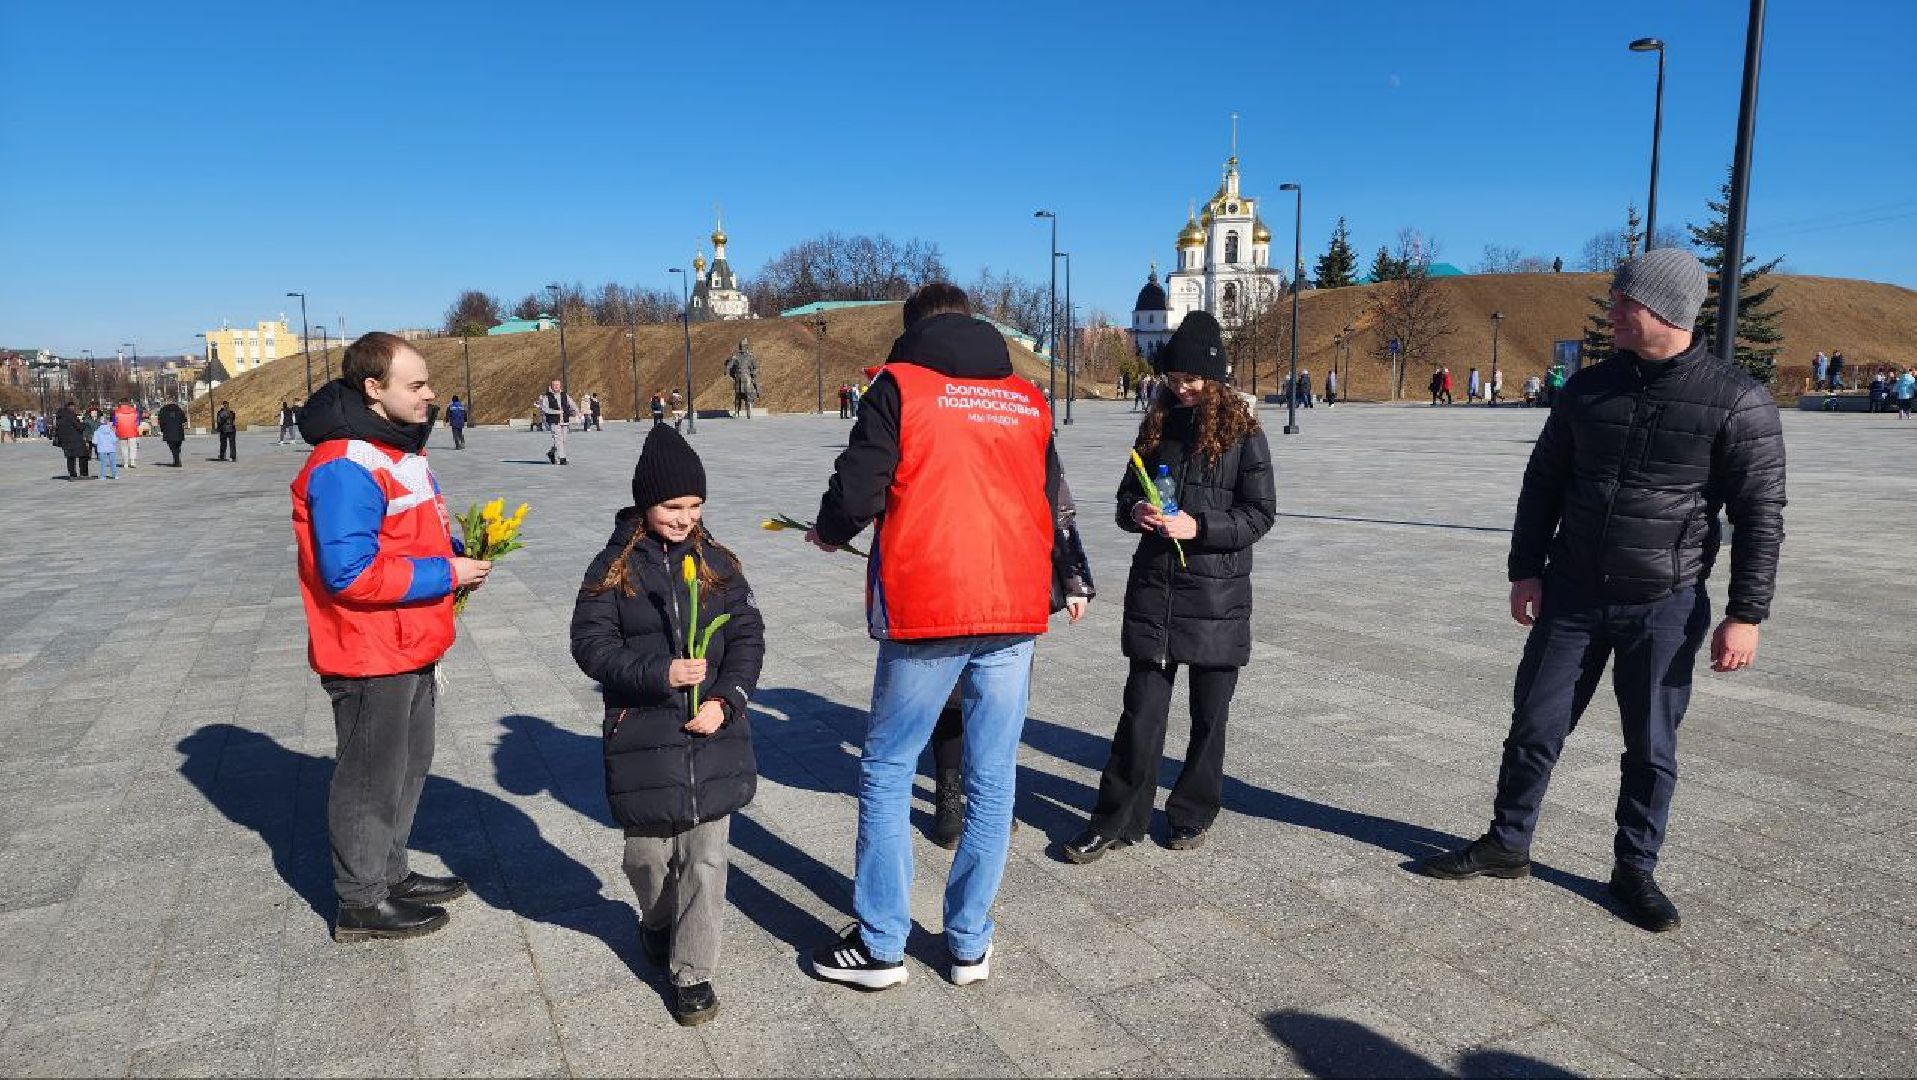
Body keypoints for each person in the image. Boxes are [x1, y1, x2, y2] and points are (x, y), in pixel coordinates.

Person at [1417, 249, 1787, 934]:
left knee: (1650, 746)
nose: (1609, 311)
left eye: (1623, 302)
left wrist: (1746, 614)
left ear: (1666, 312)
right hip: (1572, 594)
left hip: (1665, 603)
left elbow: (1761, 514)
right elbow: (1542, 483)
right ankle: (1507, 843)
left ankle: (1634, 869)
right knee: (1533, 725)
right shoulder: (1587, 389)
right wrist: (1523, 569)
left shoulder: (1737, 399)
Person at [803, 283, 1059, 991]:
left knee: (887, 768)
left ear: (912, 328)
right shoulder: (1026, 396)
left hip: (931, 602)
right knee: (992, 777)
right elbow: (1049, 495)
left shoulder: (900, 384)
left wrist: (827, 532)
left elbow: (859, 487)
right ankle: (969, 944)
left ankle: (882, 945)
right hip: (1015, 603)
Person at [291, 331, 491, 943]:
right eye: (417, 385)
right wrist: (445, 573)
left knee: (410, 761)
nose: (431, 394)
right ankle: (360, 899)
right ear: (373, 390)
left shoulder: (396, 449)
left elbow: (403, 539)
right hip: (369, 649)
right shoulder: (347, 464)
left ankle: (389, 870)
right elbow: (349, 571)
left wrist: (456, 553)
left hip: (411, 641)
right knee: (370, 774)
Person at [569, 423, 765, 1027]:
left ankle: (694, 973)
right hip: (644, 736)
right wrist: (660, 673)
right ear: (645, 503)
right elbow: (589, 644)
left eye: (695, 506)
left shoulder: (719, 563)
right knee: (646, 859)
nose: (685, 518)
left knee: (707, 858)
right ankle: (656, 919)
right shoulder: (612, 567)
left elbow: (748, 638)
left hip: (713, 736)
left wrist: (726, 699)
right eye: (672, 506)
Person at [1065, 311, 1276, 863]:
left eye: (1192, 380)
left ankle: (1193, 811)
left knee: (1209, 718)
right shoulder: (1156, 425)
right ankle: (1115, 818)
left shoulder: (1244, 432)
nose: (1181, 389)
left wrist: (1199, 527)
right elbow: (1122, 496)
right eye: (1174, 379)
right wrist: (1135, 510)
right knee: (1141, 712)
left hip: (1216, 599)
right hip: (1156, 590)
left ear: (1216, 378)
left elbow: (1260, 514)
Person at [539, 379, 577, 465]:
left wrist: (577, 411)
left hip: (564, 421)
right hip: (554, 421)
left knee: (563, 441)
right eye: (554, 385)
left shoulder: (565, 395)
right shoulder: (546, 397)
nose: (556, 386)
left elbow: (572, 404)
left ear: (560, 386)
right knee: (558, 440)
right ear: (551, 386)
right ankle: (562, 458)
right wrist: (556, 412)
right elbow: (545, 409)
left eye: (557, 385)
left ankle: (551, 453)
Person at [725, 339, 759, 419]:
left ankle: (748, 412)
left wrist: (754, 373)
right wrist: (727, 369)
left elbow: (756, 367)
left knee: (747, 395)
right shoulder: (736, 356)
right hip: (738, 378)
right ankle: (737, 412)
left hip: (747, 379)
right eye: (741, 346)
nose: (742, 347)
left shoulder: (750, 356)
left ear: (747, 346)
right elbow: (730, 364)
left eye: (744, 346)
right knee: (738, 396)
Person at [55, 402, 88, 479]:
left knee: (70, 457)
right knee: (83, 455)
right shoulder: (70, 416)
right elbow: (79, 427)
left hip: (65, 441)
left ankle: (72, 474)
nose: (74, 409)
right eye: (73, 407)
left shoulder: (59, 417)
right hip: (75, 440)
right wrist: (84, 423)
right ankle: (84, 473)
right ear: (70, 407)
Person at [158, 395, 187, 466]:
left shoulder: (163, 410)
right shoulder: (179, 409)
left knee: (172, 447)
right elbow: (184, 420)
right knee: (177, 446)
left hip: (168, 431)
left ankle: (177, 461)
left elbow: (161, 421)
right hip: (178, 431)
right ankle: (177, 460)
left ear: (167, 401)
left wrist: (162, 430)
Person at [91, 410, 119, 479]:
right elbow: (115, 440)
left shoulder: (97, 431)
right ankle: (114, 475)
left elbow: (95, 441)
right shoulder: (111, 431)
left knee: (103, 463)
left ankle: (103, 476)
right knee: (113, 462)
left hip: (101, 449)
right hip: (111, 448)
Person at [112, 398, 140, 467]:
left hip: (121, 431)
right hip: (132, 431)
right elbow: (138, 422)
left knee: (124, 447)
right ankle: (132, 461)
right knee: (133, 446)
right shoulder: (135, 411)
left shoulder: (116, 412)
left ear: (120, 403)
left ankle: (126, 462)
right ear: (128, 403)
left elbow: (115, 423)